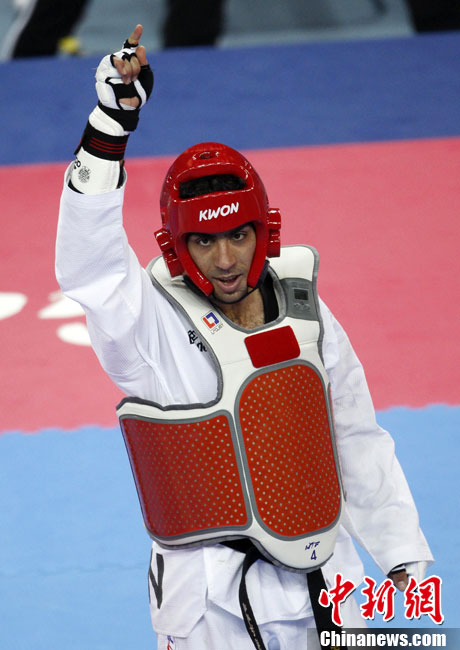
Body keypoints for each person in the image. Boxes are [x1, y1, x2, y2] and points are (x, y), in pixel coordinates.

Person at [55, 24, 434, 650]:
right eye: (204, 241)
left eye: (238, 234)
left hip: (328, 587)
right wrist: (108, 128)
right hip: (209, 608)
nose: (226, 259)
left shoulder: (305, 311)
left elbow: (354, 435)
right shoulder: (152, 326)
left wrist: (401, 554)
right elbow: (89, 270)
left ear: (266, 230)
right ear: (176, 246)